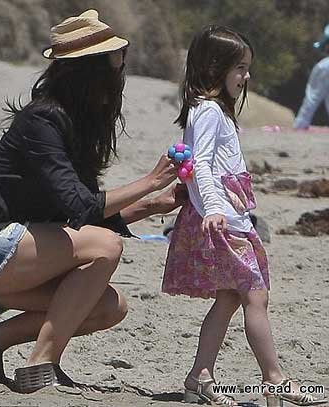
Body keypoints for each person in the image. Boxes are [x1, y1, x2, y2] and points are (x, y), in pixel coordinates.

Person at [0, 9, 186, 393]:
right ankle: (42, 363)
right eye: (116, 62)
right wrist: (150, 182)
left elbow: (81, 216)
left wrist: (152, 204)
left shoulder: (72, 122)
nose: (121, 72)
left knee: (108, 306)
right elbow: (82, 209)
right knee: (106, 247)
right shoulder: (42, 121)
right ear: (90, 71)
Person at [162, 25, 327, 406]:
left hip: (230, 217)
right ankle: (275, 379)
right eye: (239, 68)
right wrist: (216, 209)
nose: (245, 76)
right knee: (256, 296)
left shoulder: (216, 111)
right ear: (214, 67)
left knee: (229, 299)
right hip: (222, 221)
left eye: (247, 68)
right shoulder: (207, 111)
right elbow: (200, 163)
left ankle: (199, 376)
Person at [293, 24, 329, 129]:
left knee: (312, 97)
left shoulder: (323, 67)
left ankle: (300, 125)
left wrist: (300, 125)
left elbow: (312, 98)